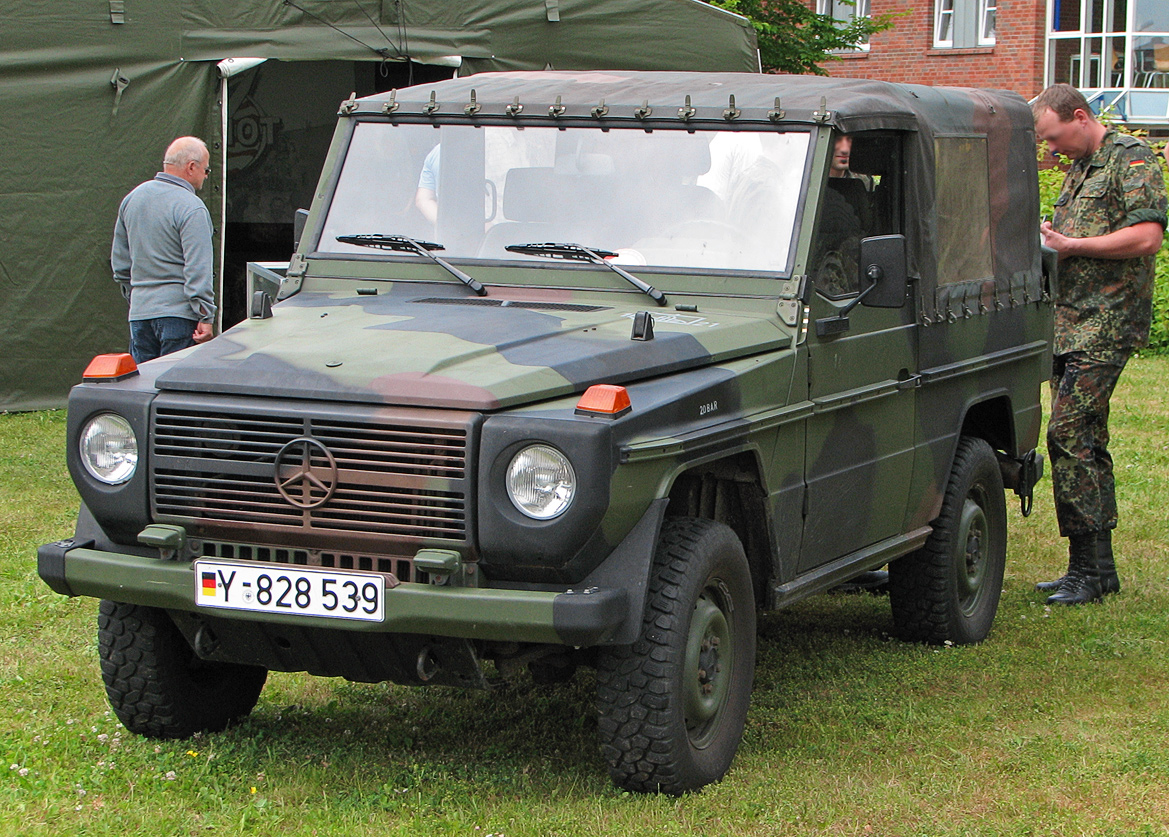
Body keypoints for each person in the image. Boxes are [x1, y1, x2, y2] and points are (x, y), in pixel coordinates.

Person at [1032, 84, 1167, 605]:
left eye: (1053, 137)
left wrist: (1072, 245)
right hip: (1069, 322)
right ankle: (1094, 568)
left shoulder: (1129, 160)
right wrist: (1054, 236)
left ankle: (1090, 569)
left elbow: (1147, 236)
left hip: (1106, 323)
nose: (1051, 150)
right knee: (1085, 437)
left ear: (1081, 117)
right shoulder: (1080, 166)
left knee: (1068, 430)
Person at [112, 136, 216, 363]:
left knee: (144, 388)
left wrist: (138, 298)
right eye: (206, 170)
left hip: (139, 315)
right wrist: (205, 315)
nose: (206, 176)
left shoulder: (132, 199)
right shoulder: (192, 207)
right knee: (175, 390)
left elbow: (120, 265)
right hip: (179, 316)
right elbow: (198, 267)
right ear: (191, 167)